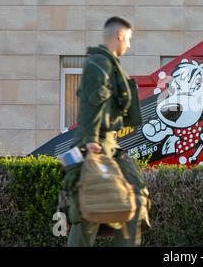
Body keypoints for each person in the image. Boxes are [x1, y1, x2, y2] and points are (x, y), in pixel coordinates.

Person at [63, 16, 148, 247]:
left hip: (107, 143)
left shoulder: (108, 63)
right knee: (91, 206)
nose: (129, 45)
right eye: (128, 39)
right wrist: (91, 140)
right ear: (119, 36)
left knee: (135, 199)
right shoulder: (99, 64)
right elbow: (94, 101)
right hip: (93, 143)